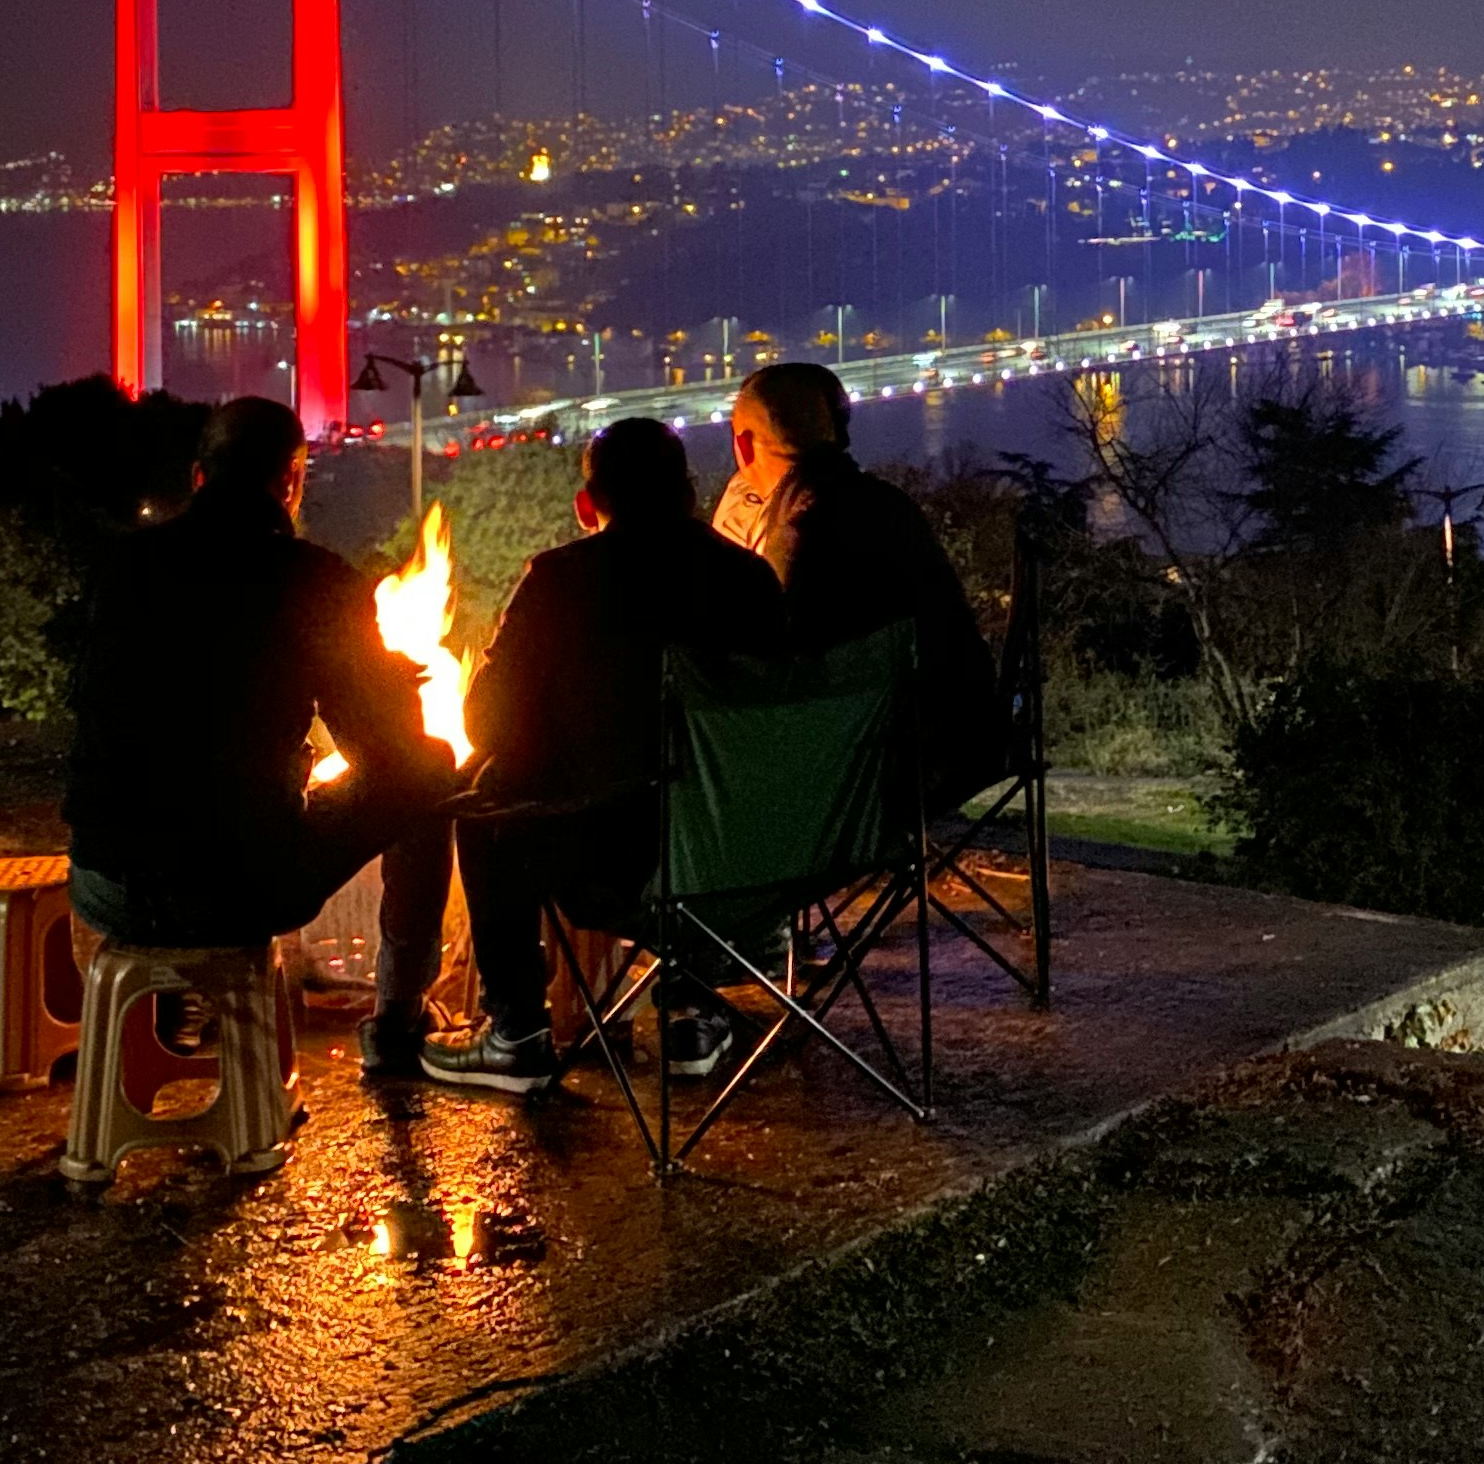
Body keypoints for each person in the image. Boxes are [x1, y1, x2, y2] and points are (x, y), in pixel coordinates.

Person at [414, 414, 792, 1096]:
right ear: (690, 493)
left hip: (619, 868)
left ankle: (516, 1033)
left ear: (588, 504)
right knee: (682, 796)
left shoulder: (561, 580)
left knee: (483, 800)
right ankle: (691, 1009)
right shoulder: (750, 579)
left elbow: (487, 721)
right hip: (757, 862)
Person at [66, 398, 454, 950]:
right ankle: (403, 998)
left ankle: (173, 995)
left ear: (199, 477)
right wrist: (393, 685)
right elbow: (386, 752)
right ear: (291, 480)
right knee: (430, 765)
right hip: (238, 889)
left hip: (104, 884)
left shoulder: (122, 566)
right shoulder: (312, 579)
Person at [715, 360, 1001, 805]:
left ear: (744, 446)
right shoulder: (888, 505)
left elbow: (781, 670)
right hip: (964, 737)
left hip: (876, 768)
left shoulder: (796, 532)